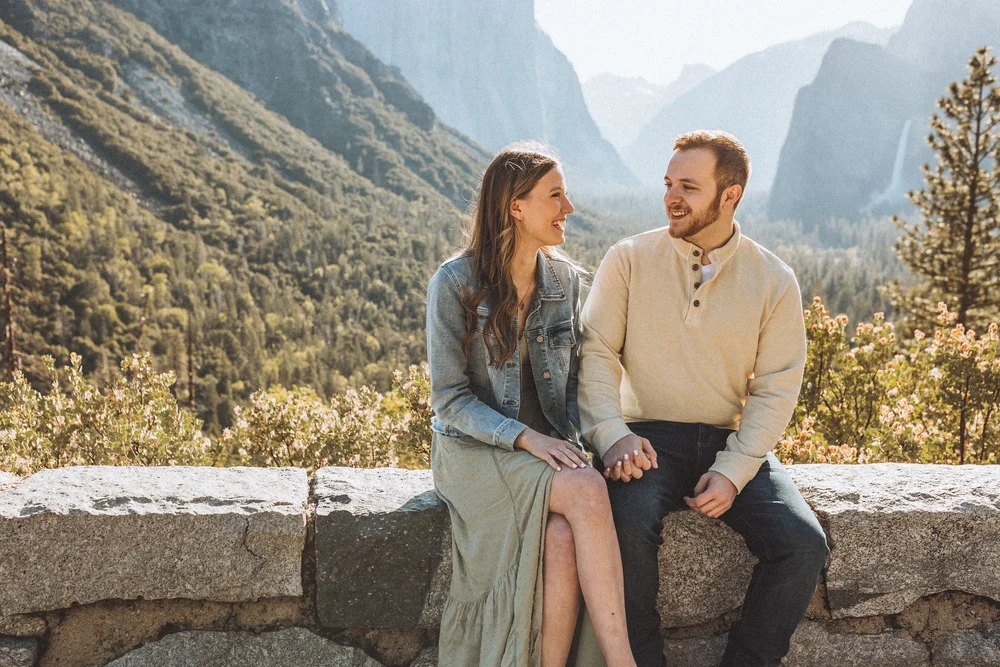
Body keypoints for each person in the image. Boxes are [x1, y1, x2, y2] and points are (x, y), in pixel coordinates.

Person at [577, 130, 829, 667]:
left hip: (727, 440)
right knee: (625, 524)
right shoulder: (628, 258)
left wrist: (734, 470)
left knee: (802, 545)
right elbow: (596, 354)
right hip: (643, 441)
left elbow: (777, 384)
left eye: (688, 187)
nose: (672, 196)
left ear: (730, 195)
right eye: (669, 183)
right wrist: (611, 434)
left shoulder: (773, 279)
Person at [426, 143, 638, 667]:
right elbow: (449, 399)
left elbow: (572, 385)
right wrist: (525, 437)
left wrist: (601, 440)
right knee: (587, 489)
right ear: (515, 206)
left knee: (562, 539)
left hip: (542, 453)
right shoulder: (453, 283)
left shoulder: (564, 281)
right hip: (474, 453)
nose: (569, 208)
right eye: (556, 195)